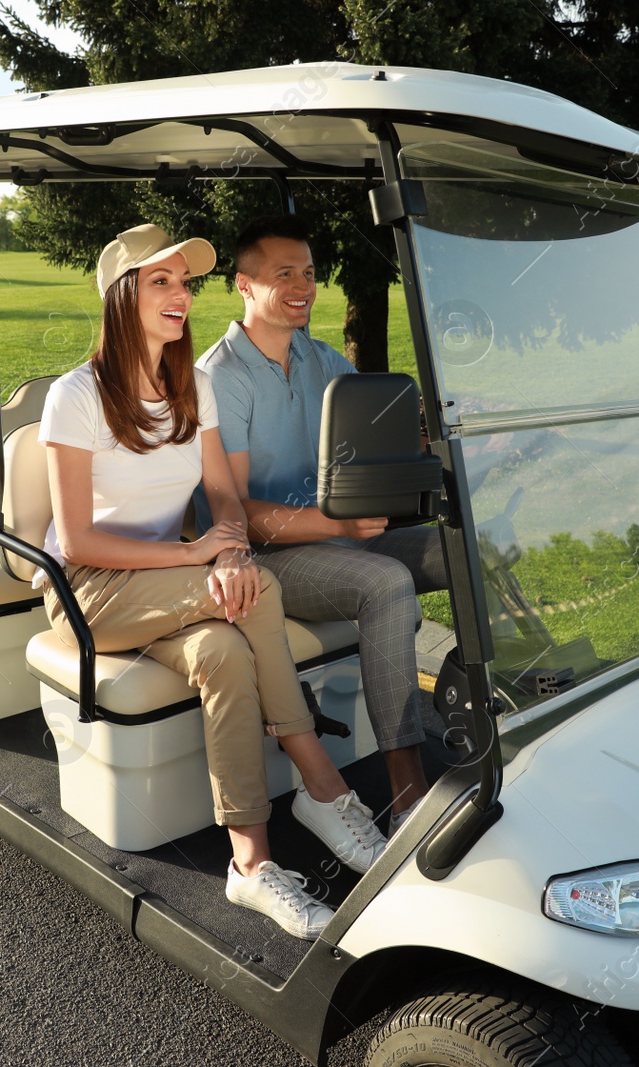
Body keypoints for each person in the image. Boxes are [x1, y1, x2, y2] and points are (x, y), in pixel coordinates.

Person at [35, 223, 388, 941]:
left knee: (224, 651)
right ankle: (322, 783)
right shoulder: (75, 396)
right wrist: (204, 557)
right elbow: (77, 540)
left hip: (168, 579)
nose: (181, 295)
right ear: (121, 295)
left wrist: (228, 551)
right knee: (261, 592)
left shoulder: (193, 384)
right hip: (89, 590)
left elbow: (225, 495)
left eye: (185, 282)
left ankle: (250, 863)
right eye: (160, 280)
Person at [196, 215, 446, 834]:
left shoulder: (323, 358)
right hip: (261, 556)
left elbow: (376, 442)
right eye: (285, 274)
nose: (303, 285)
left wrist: (444, 442)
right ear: (244, 286)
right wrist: (338, 526)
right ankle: (408, 793)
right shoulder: (220, 378)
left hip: (337, 533)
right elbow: (241, 517)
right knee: (387, 582)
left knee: (466, 550)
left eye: (308, 273)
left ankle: (512, 720)